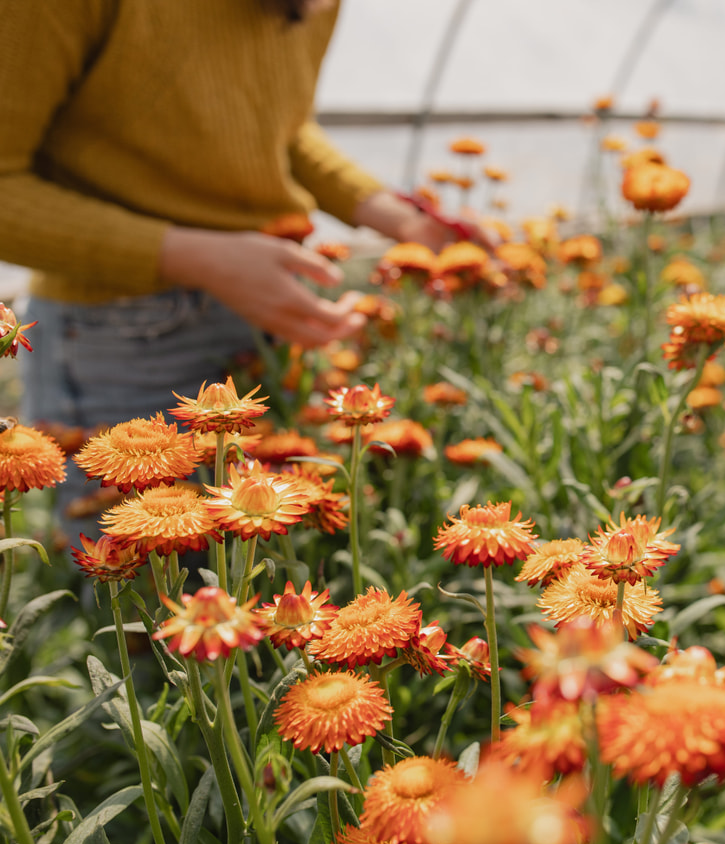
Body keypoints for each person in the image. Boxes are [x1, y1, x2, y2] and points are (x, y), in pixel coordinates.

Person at [0, 0, 464, 528]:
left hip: (263, 309)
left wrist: (401, 219)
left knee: (254, 573)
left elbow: (278, 126)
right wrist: (198, 257)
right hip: (123, 335)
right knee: (142, 591)